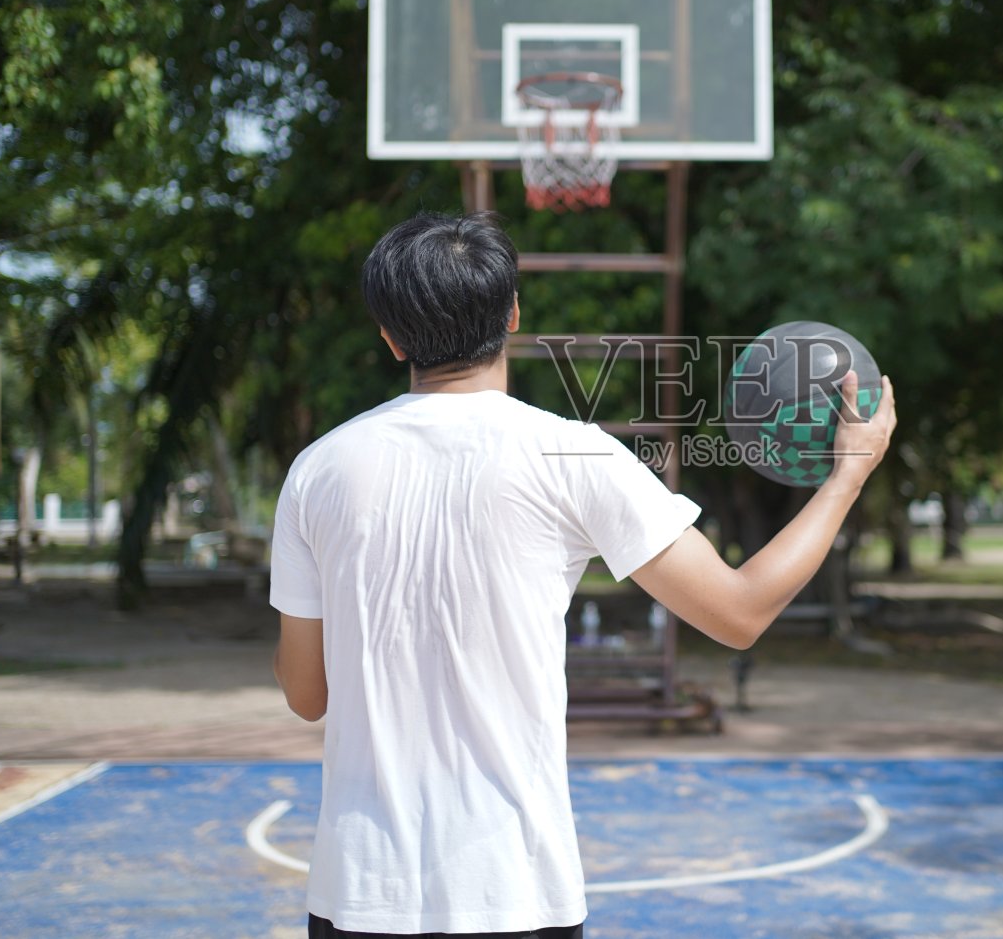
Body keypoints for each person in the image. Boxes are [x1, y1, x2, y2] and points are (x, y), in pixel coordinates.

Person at [269, 210, 897, 938]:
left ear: (390, 335)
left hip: (358, 889)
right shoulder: (572, 454)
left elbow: (306, 693)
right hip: (514, 888)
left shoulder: (318, 470)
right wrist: (849, 472)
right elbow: (741, 610)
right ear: (512, 313)